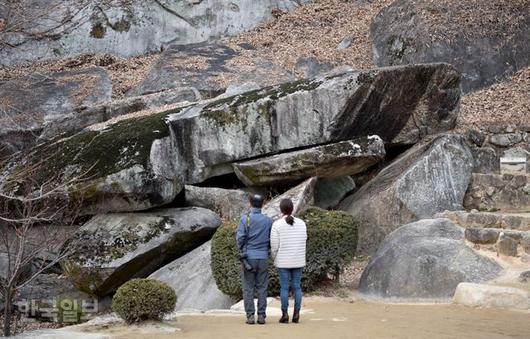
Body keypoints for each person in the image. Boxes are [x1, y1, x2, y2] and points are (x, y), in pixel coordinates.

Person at [236, 194, 273, 325]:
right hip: (263, 257)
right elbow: (271, 239)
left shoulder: (245, 219)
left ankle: (250, 316)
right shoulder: (268, 220)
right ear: (263, 205)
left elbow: (240, 239)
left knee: (248, 288)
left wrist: (241, 250)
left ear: (250, 204)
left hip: (248, 258)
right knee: (262, 287)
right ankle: (262, 315)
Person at [270, 198, 307, 324]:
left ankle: (284, 314)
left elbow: (274, 246)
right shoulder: (302, 223)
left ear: (281, 209)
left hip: (283, 261)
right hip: (298, 260)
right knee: (297, 287)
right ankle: (296, 313)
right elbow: (304, 240)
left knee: (284, 288)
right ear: (292, 208)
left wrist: (274, 258)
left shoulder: (277, 224)